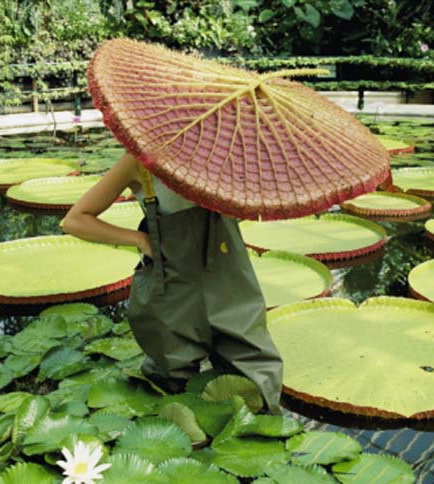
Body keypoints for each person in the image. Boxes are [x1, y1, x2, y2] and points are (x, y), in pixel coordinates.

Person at [61, 151, 283, 413]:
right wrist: (139, 240)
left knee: (257, 379)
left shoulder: (225, 152)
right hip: (171, 279)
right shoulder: (138, 160)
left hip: (228, 273)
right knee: (170, 380)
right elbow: (74, 220)